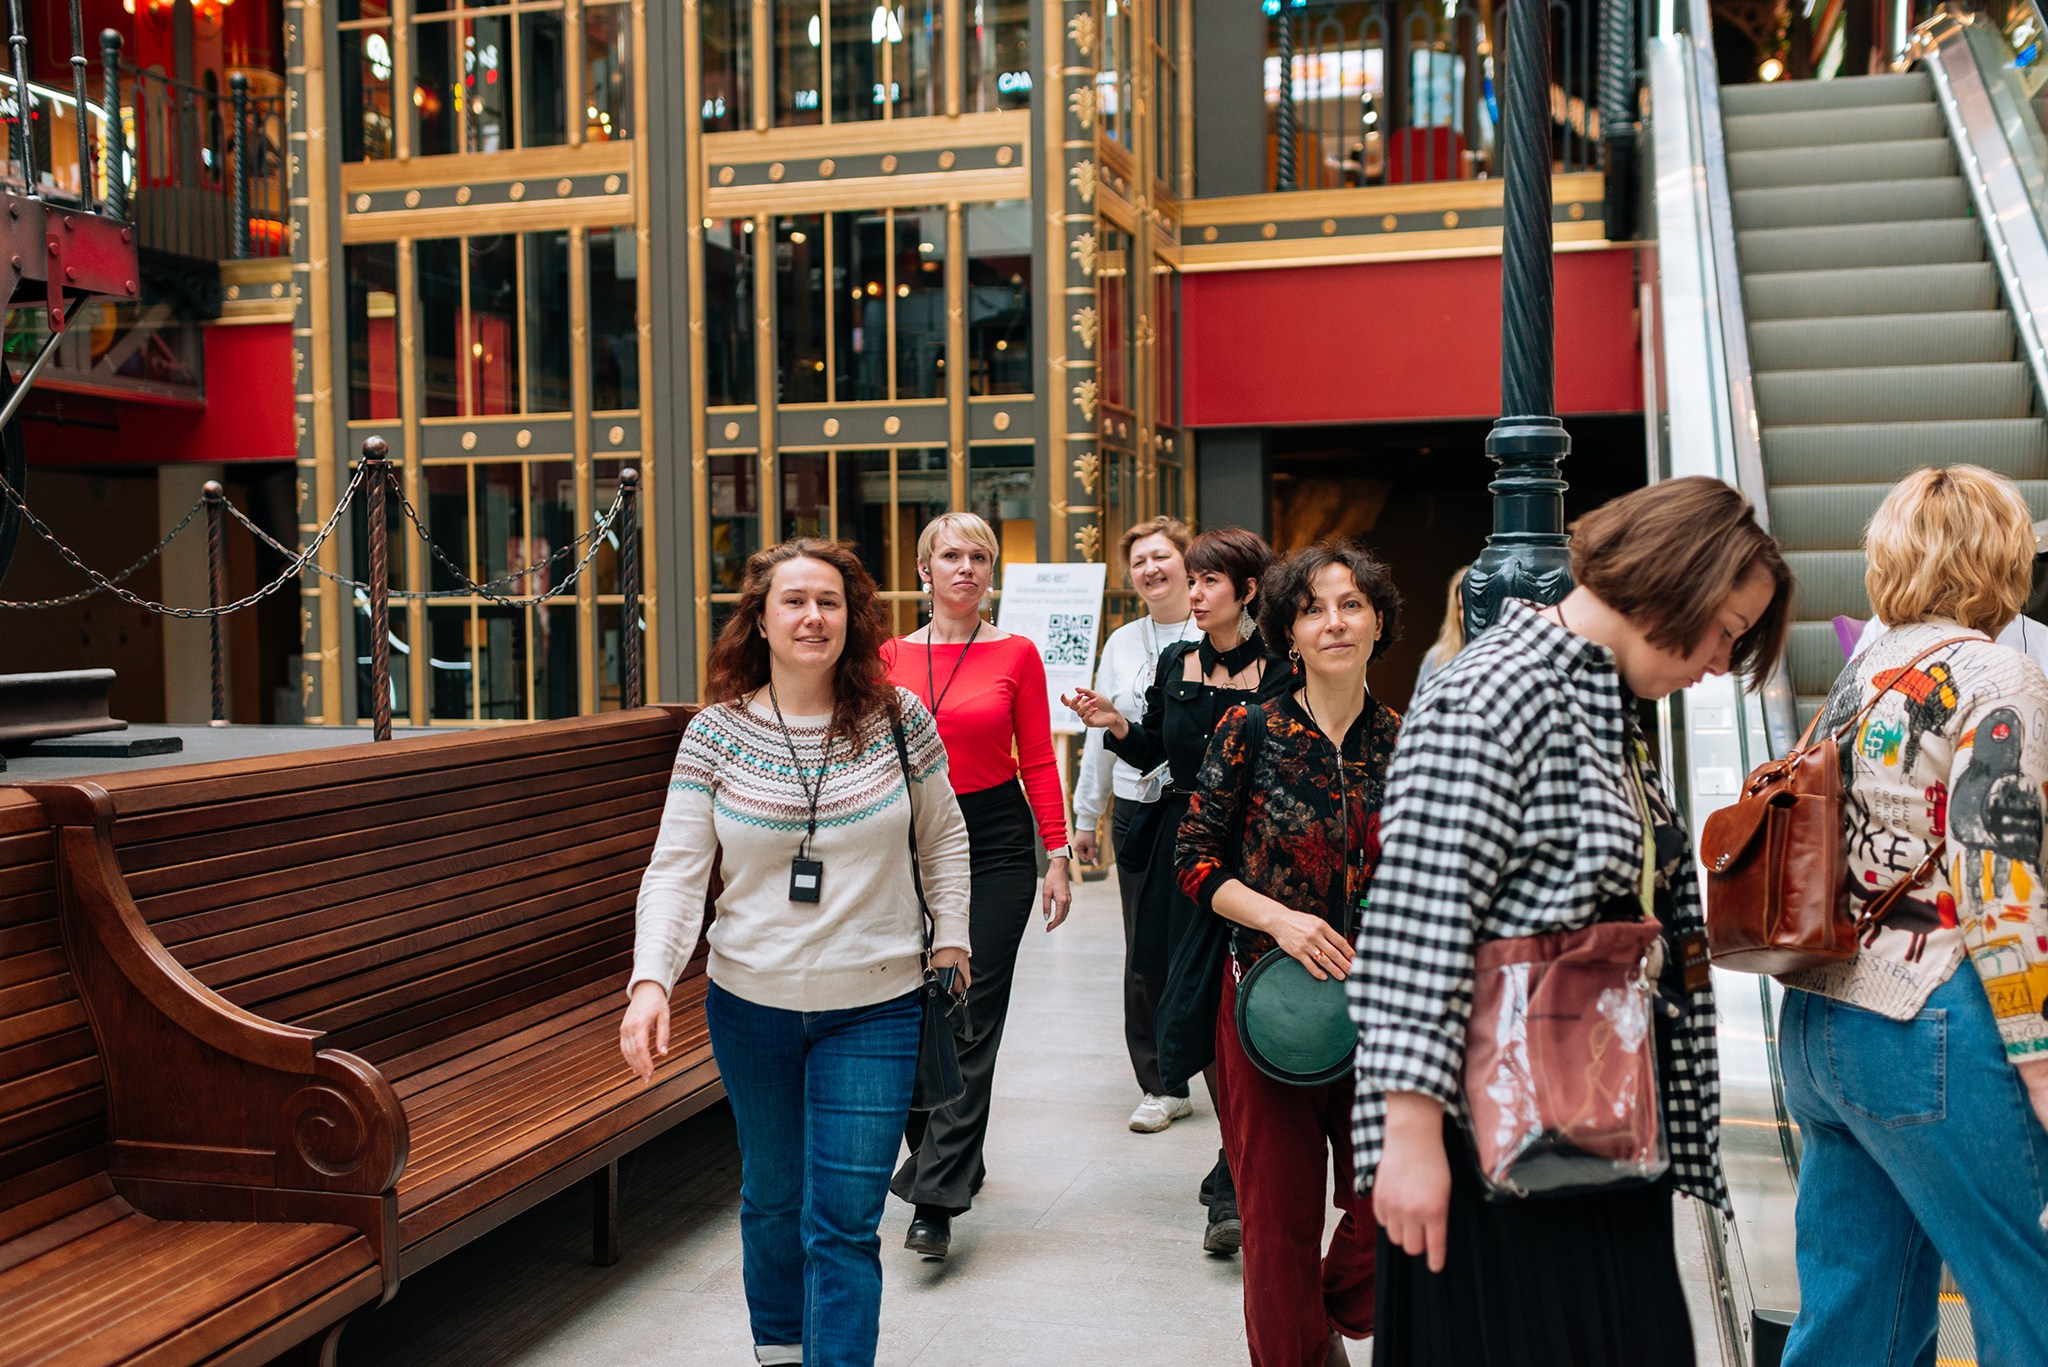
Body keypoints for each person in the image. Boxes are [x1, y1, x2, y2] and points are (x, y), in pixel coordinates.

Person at [1355, 476, 1793, 1367]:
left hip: (1586, 1127)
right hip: (1496, 1144)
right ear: (1679, 579)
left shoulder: (1604, 701)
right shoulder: (1495, 692)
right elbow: (1415, 920)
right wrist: (1405, 1137)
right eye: (1727, 630)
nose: (1719, 659)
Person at [620, 539, 973, 1367]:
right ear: (761, 619)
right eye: (794, 601)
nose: (813, 616)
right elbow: (675, 870)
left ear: (854, 621)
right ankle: (779, 1350)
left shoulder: (899, 719)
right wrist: (650, 982)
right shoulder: (715, 734)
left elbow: (944, 836)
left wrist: (950, 934)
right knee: (773, 1200)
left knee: (844, 1219)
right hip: (750, 1006)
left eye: (830, 602)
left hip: (876, 1004)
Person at [1778, 466, 2048, 1367]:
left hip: (1820, 1021)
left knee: (1855, 1319)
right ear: (2003, 558)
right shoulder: (1998, 674)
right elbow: (1997, 875)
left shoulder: (1865, 669)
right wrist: (2040, 1060)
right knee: (2028, 1294)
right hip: (1930, 1018)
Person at [1176, 541, 1403, 1366]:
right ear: (1289, 632)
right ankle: (1297, 1346)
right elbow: (1195, 857)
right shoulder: (1253, 729)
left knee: (1395, 1199)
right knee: (1274, 1224)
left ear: (1379, 622)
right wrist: (1282, 920)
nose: (1334, 622)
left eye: (1351, 604)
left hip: (1382, 1012)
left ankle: (1320, 1312)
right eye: (1313, 608)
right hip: (1266, 1007)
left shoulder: (1405, 742)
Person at [1065, 525, 1289, 1255]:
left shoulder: (1281, 668)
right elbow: (1155, 745)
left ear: (1247, 591)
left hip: (1256, 854)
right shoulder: (1175, 658)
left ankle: (1232, 1178)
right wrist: (1112, 723)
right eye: (1190, 580)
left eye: (1208, 582)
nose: (1193, 594)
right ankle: (1229, 1155)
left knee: (1245, 1003)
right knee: (1188, 1002)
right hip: (1184, 846)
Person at [885, 511, 1073, 1261]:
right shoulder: (887, 656)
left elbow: (1038, 757)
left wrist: (1057, 853)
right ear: (924, 570)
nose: (967, 567)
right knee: (905, 1010)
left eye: (981, 557)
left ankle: (935, 1195)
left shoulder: (1017, 653)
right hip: (903, 838)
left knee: (969, 1007)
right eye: (952, 555)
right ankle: (946, 1150)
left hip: (995, 839)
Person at [1071, 515, 1202, 1132]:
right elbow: (1102, 732)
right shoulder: (1122, 642)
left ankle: (1225, 1067)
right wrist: (1086, 817)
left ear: (1187, 562)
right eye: (1139, 562)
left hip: (1204, 809)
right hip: (1138, 810)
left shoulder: (1222, 632)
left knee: (1204, 941)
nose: (1151, 570)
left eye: (1161, 557)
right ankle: (1162, 1083)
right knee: (1145, 950)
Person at [1410, 564, 1468, 700]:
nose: (1467, 614)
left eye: (1474, 605)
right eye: (1461, 607)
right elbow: (1418, 715)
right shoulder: (1438, 657)